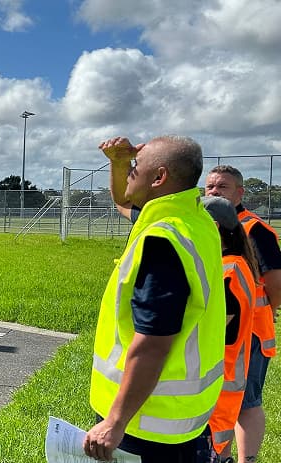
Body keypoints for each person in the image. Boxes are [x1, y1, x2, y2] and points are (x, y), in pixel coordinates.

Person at [83, 136, 223, 461]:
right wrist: (118, 165)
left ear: (159, 178)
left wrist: (115, 421)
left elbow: (153, 344)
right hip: (179, 418)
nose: (130, 173)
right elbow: (124, 200)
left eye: (135, 167)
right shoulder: (195, 219)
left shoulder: (163, 239)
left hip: (144, 422)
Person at [202, 164, 278, 462]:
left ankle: (247, 459)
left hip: (252, 334)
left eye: (222, 187)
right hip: (226, 334)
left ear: (239, 192)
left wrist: (265, 311)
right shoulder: (210, 225)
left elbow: (276, 283)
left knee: (246, 401)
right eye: (210, 187)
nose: (214, 191)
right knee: (224, 402)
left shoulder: (255, 229)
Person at [200, 196, 257, 461]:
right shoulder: (232, 263)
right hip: (220, 383)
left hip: (217, 386)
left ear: (214, 226)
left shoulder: (229, 269)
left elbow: (217, 330)